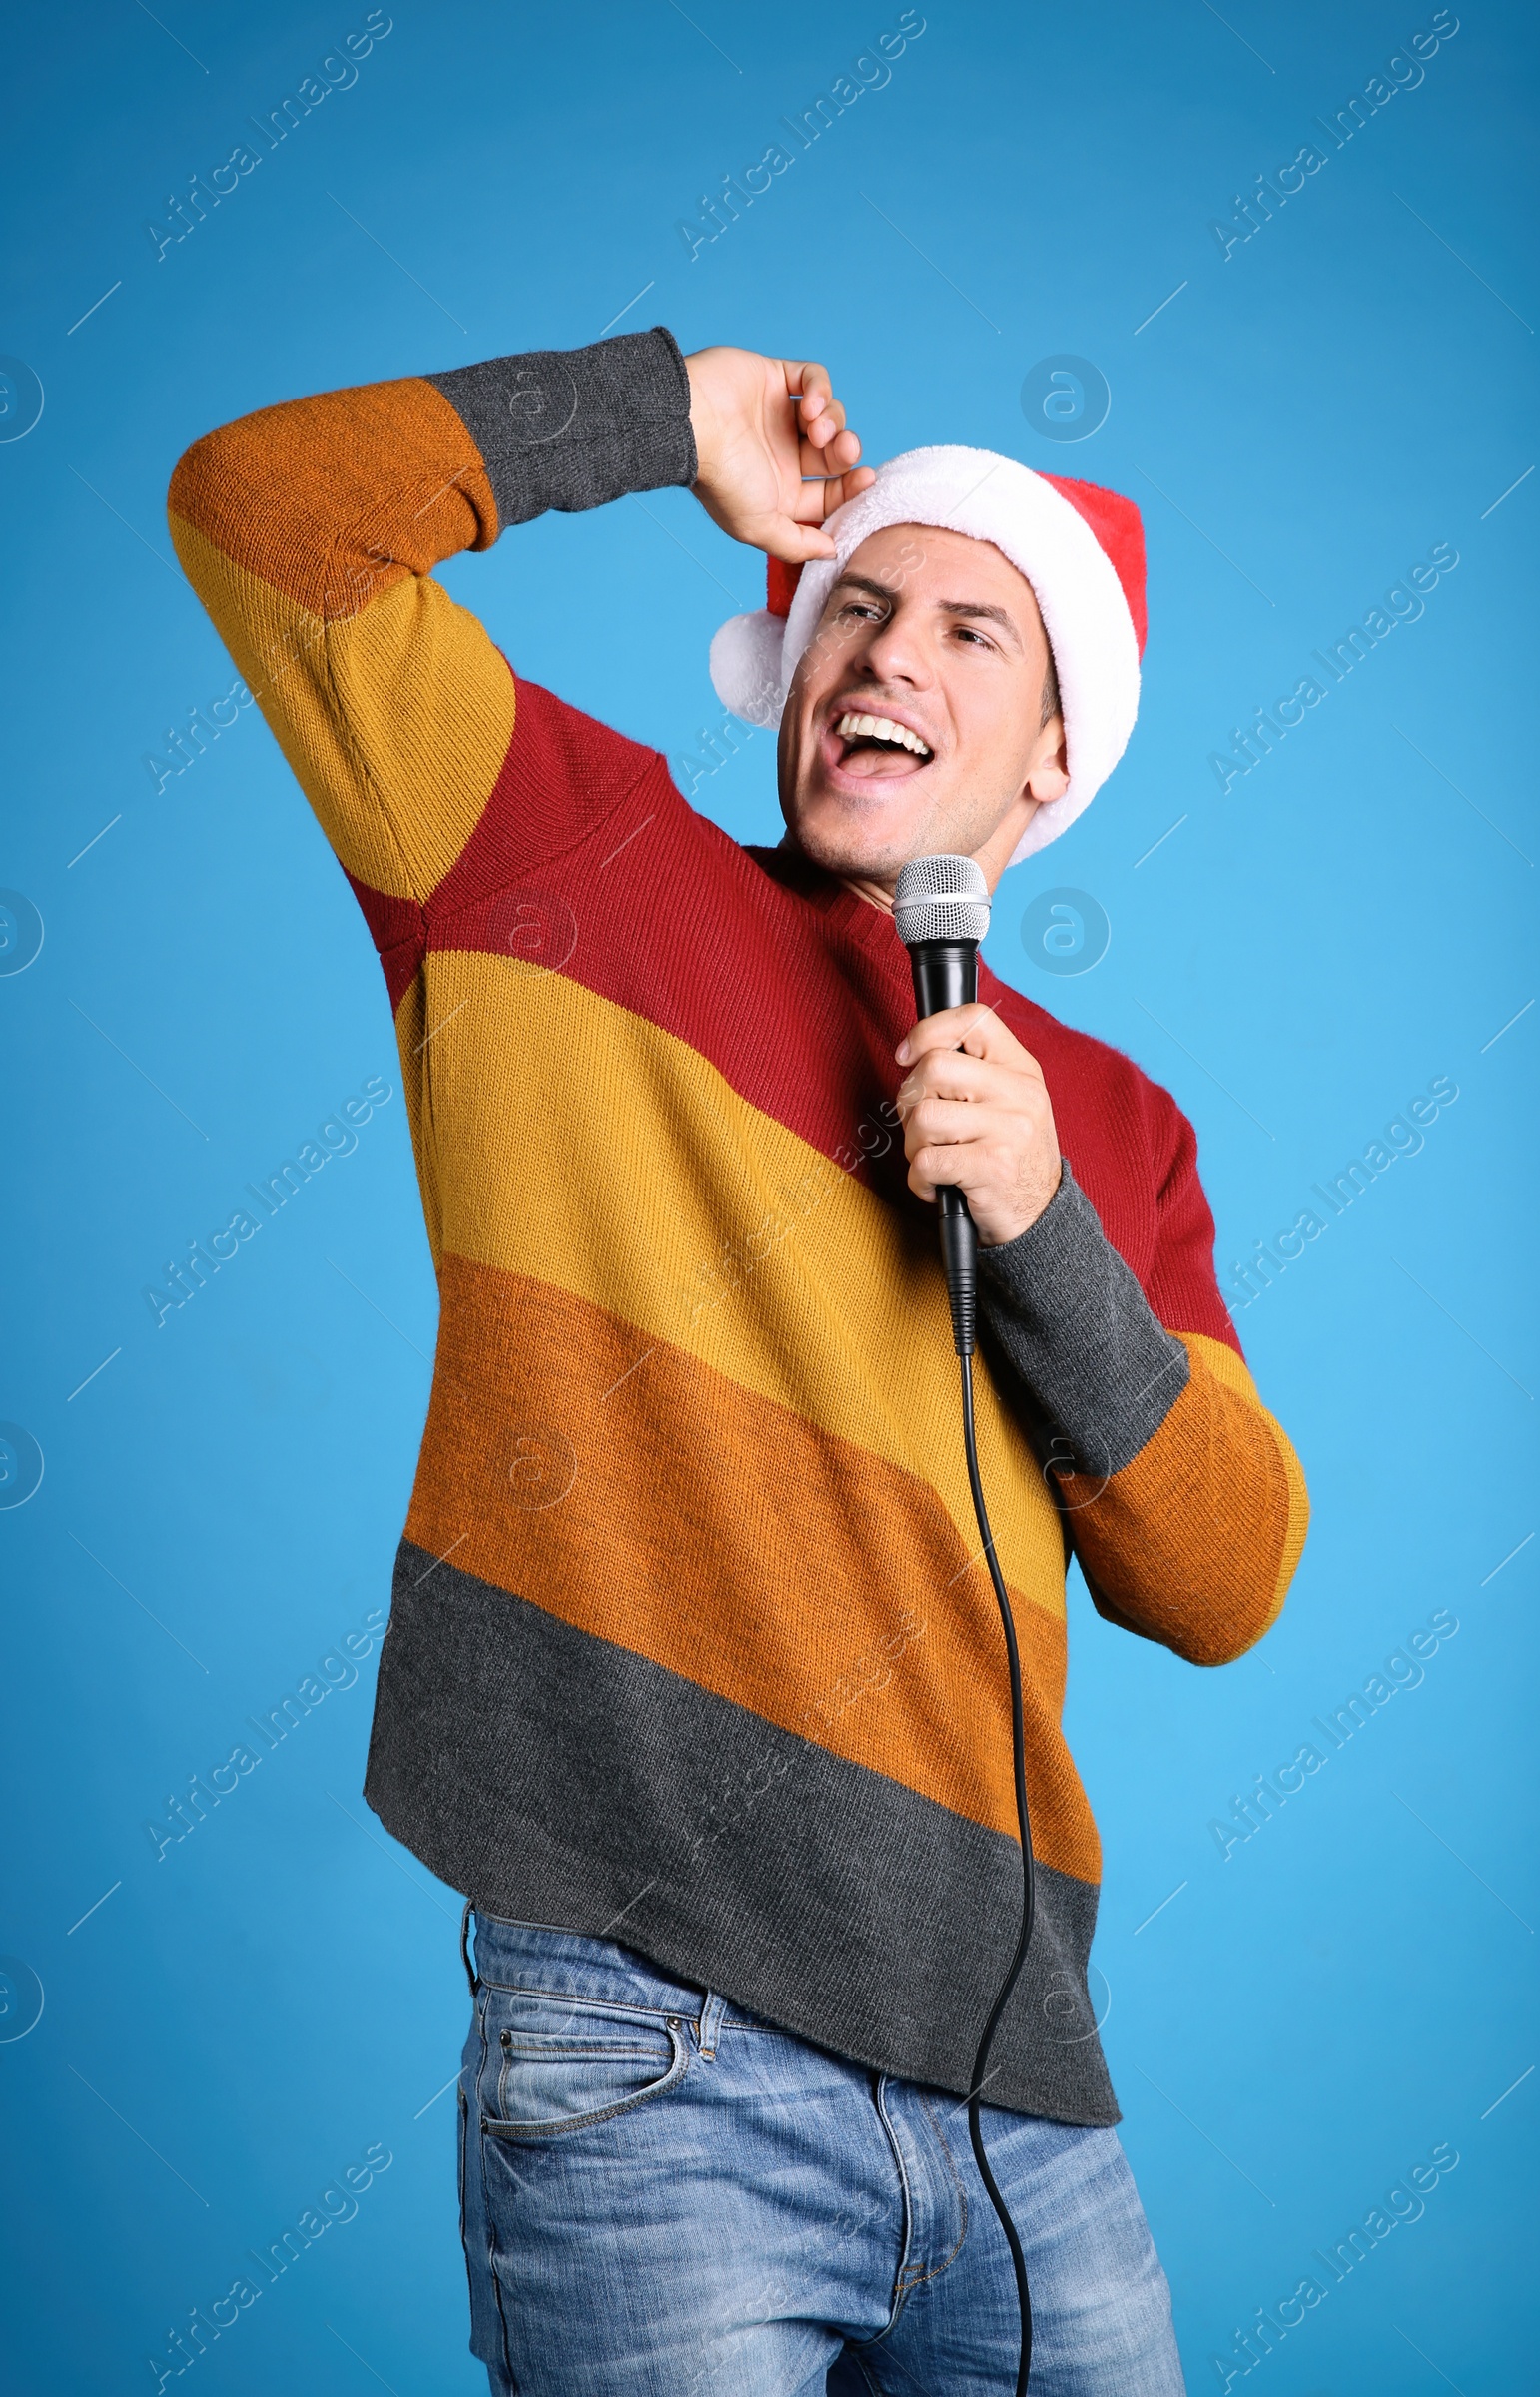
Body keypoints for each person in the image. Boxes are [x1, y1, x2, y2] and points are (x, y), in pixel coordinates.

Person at [170, 331, 1307, 2395]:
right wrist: (657, 414)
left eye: (974, 629)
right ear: (784, 662)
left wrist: (1041, 1231)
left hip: (1024, 2099)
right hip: (651, 2059)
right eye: (853, 601)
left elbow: (1224, 1578)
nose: (888, 651)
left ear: (1048, 762)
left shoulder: (1114, 1135)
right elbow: (265, 514)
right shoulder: (544, 862)